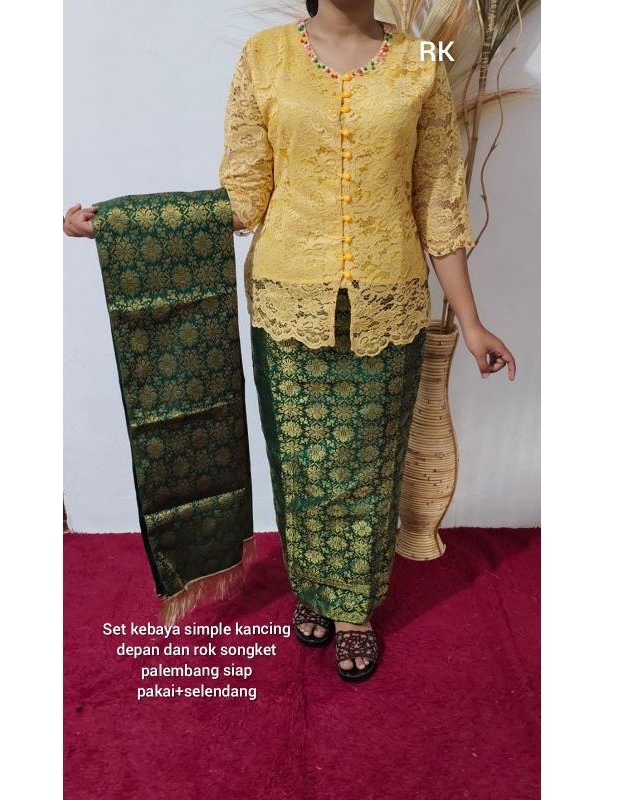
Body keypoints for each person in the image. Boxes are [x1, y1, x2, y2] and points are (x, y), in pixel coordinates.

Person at [64, 0, 516, 683]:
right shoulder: (264, 57)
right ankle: (312, 588)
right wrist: (124, 224)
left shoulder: (421, 61)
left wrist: (471, 320)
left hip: (388, 299)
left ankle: (355, 610)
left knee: (371, 466)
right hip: (286, 301)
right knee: (300, 463)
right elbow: (243, 196)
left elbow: (439, 201)